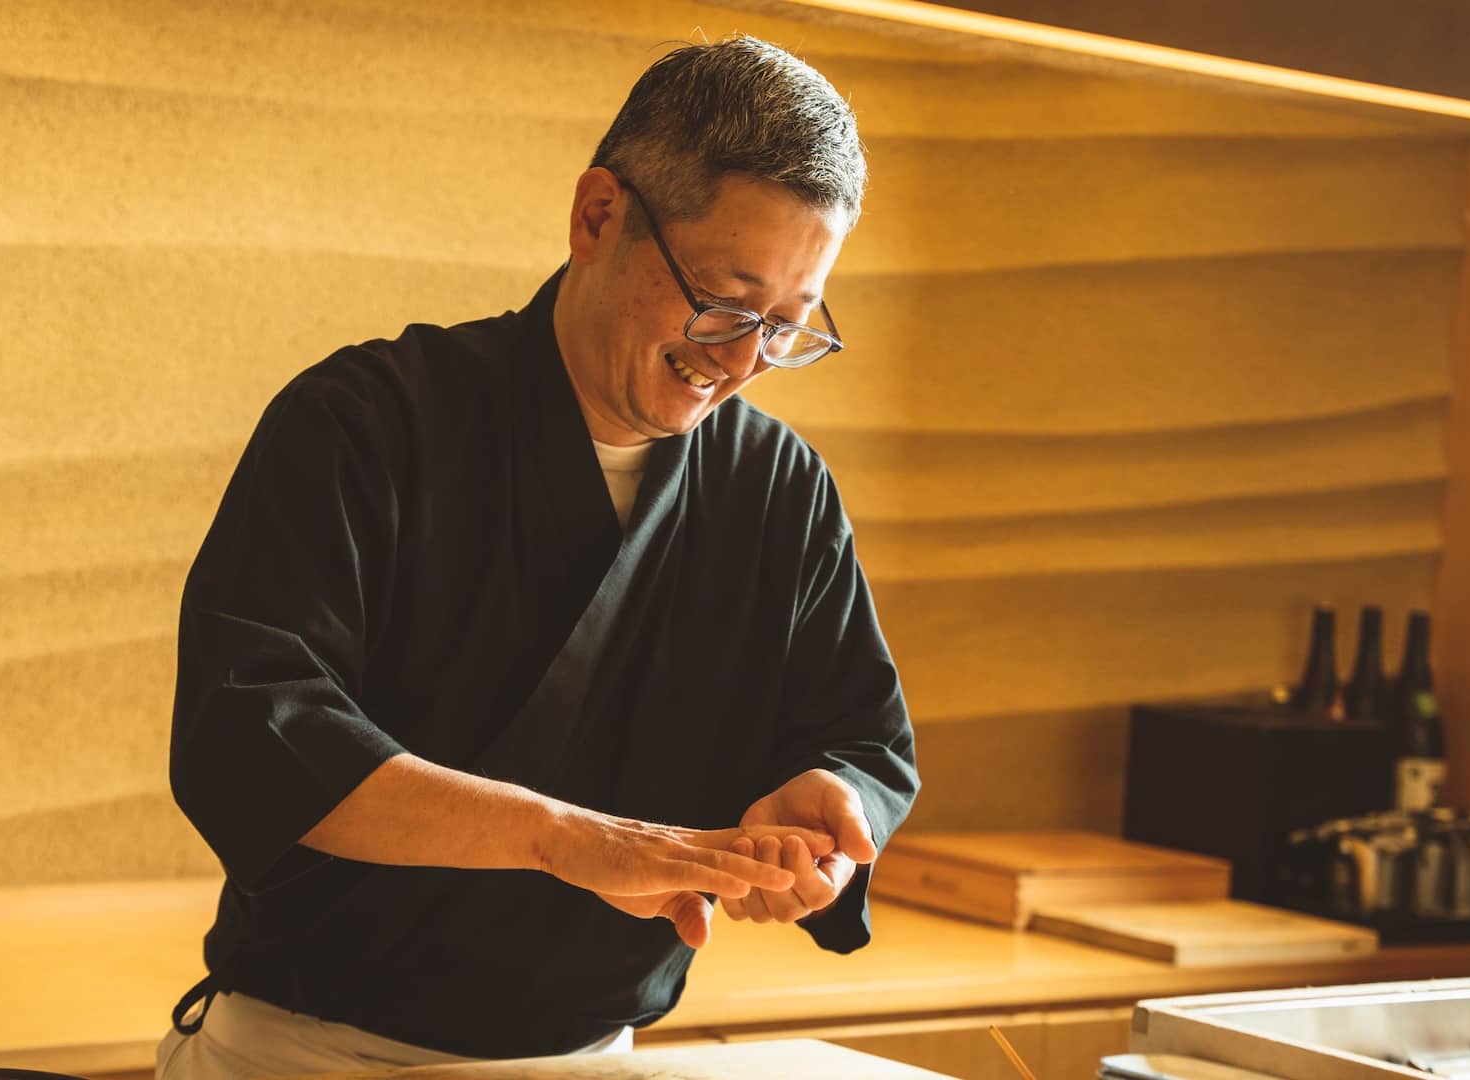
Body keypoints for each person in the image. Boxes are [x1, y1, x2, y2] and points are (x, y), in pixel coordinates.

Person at [157, 34, 918, 1078]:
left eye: (786, 326)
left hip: (599, 1057)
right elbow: (253, 732)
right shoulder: (366, 425)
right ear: (598, 216)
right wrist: (564, 837)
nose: (740, 361)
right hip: (309, 1053)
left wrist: (828, 811)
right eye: (723, 299)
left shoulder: (779, 491)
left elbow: (864, 742)